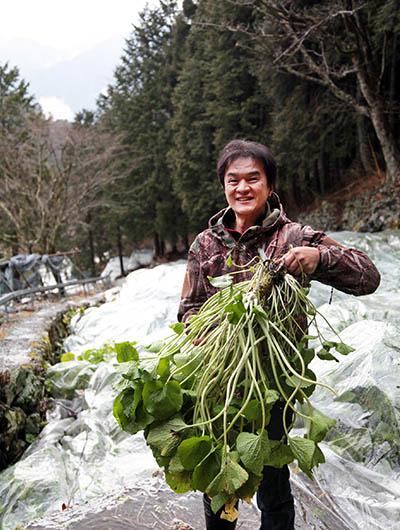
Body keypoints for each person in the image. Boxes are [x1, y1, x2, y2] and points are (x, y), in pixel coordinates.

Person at [177, 139, 380, 530]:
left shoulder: (293, 237)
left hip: (273, 386)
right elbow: (188, 310)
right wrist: (211, 339)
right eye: (233, 180)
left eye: (253, 178)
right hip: (222, 386)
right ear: (223, 186)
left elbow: (369, 275)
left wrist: (320, 258)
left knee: (273, 483)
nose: (242, 188)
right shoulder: (206, 244)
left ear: (270, 185)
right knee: (219, 482)